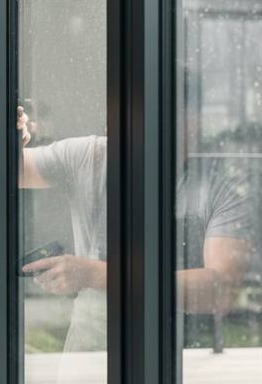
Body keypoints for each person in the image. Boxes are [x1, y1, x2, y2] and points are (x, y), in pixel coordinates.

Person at [18, 115, 252, 351]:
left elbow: (222, 289)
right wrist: (10, 136)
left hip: (182, 354)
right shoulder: (88, 156)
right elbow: (10, 168)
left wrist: (95, 274)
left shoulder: (218, 186)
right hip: (92, 346)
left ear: (191, 126)